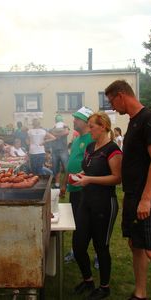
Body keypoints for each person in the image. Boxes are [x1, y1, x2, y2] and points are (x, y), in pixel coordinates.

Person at [105, 80, 151, 300]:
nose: (112, 107)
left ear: (121, 95)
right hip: (132, 196)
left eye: (112, 101)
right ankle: (140, 293)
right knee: (136, 245)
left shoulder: (150, 120)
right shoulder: (133, 121)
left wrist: (146, 199)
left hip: (145, 198)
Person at [71, 112, 122, 299]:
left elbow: (117, 178)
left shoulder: (112, 149)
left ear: (103, 127)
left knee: (101, 246)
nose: (89, 129)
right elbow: (89, 166)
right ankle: (88, 280)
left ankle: (104, 287)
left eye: (92, 126)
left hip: (104, 203)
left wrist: (89, 179)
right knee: (78, 245)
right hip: (86, 201)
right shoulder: (91, 146)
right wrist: (81, 175)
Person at [61, 107, 94, 263]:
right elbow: (70, 163)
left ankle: (97, 254)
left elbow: (95, 164)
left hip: (86, 189)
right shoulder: (76, 139)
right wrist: (63, 183)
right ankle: (76, 251)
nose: (73, 121)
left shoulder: (92, 139)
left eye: (77, 119)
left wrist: (81, 176)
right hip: (74, 188)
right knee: (76, 221)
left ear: (86, 122)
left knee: (90, 222)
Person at [49, 115, 70, 188]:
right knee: (56, 168)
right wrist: (59, 134)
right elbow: (52, 133)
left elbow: (66, 133)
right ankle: (57, 184)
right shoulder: (54, 128)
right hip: (55, 151)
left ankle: (67, 183)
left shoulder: (65, 127)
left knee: (66, 167)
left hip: (63, 150)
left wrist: (57, 134)